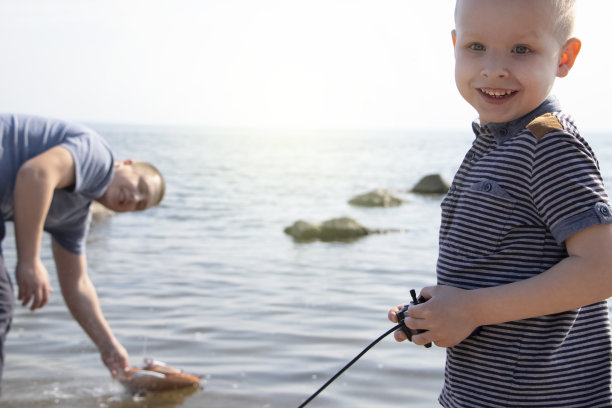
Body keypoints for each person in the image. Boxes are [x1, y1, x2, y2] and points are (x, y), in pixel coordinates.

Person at [388, 0, 612, 406]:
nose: (494, 68)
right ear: (455, 45)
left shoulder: (548, 142)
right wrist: (438, 314)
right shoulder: (498, 143)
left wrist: (471, 309)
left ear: (564, 57)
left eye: (521, 49)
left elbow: (604, 269)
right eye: (476, 46)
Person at [0, 113, 165, 392]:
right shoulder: (97, 157)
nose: (134, 198)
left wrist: (109, 346)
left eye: (140, 206)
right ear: (126, 163)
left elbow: (77, 284)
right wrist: (29, 261)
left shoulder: (74, 216)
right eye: (140, 187)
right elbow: (36, 174)